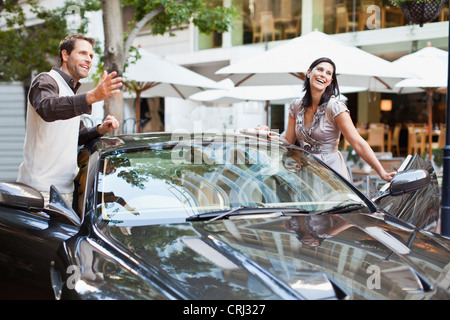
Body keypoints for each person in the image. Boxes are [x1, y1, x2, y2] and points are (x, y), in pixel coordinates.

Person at [17, 34, 123, 206]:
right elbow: (47, 108)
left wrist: (100, 129)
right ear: (65, 55)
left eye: (90, 56)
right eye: (82, 53)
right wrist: (91, 97)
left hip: (65, 191)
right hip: (40, 191)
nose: (88, 59)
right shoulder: (45, 80)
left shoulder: (69, 91)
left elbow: (77, 135)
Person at [258, 57, 395, 182]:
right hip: (305, 172)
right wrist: (267, 134)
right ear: (309, 73)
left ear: (330, 82)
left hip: (330, 173)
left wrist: (382, 173)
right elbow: (288, 140)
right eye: (320, 69)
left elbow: (358, 143)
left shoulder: (335, 108)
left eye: (329, 73)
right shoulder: (295, 106)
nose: (323, 74)